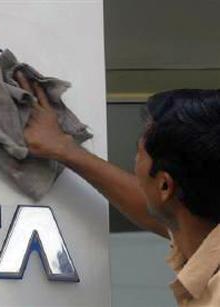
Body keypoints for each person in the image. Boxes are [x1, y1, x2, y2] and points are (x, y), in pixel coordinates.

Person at [14, 70, 220, 307]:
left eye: (139, 151)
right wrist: (63, 148)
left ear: (164, 185)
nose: (135, 162)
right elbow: (157, 208)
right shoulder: (199, 233)